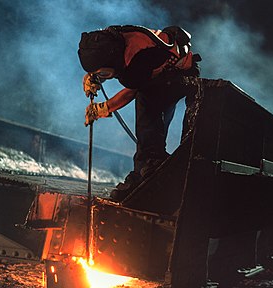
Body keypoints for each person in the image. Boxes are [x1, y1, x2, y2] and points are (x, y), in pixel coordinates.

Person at [78, 25, 201, 202]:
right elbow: (109, 63)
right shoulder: (111, 38)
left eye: (104, 73)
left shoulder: (138, 60)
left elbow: (131, 91)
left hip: (181, 76)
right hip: (162, 71)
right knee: (153, 117)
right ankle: (145, 169)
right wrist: (94, 76)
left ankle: (151, 166)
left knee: (147, 101)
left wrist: (103, 108)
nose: (102, 75)